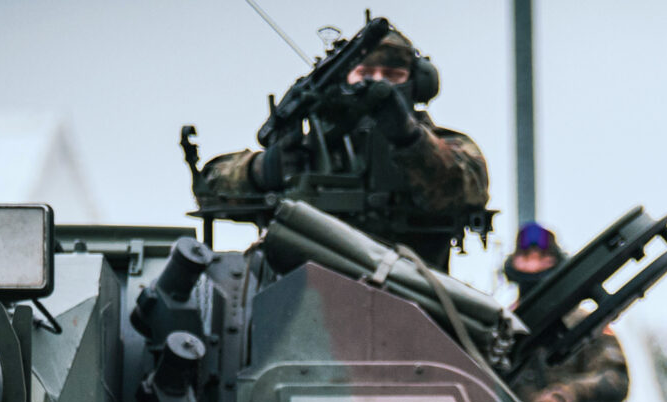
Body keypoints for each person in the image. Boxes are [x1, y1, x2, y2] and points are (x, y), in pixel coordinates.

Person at [192, 25, 488, 267]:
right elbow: (210, 187)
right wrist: (263, 170)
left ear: (417, 84)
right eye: (365, 74)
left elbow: (466, 187)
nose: (377, 84)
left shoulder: (448, 147)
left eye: (392, 76)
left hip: (416, 308)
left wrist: (409, 138)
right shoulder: (310, 152)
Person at [503, 222, 628, 402]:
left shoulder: (587, 324)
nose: (533, 262)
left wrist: (568, 392)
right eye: (526, 255)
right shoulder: (502, 327)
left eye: (542, 255)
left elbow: (615, 379)